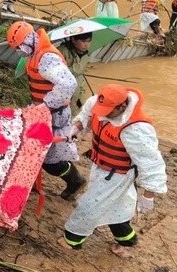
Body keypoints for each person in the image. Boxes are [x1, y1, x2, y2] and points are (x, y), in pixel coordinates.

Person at [59, 84, 167, 256]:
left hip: (118, 174)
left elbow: (151, 163)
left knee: (89, 206)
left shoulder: (137, 129)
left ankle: (72, 240)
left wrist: (149, 196)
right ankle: (126, 240)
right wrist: (75, 128)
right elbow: (85, 116)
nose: (102, 114)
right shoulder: (97, 103)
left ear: (122, 106)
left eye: (108, 111)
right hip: (100, 166)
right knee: (115, 206)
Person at [6, 21, 85, 200]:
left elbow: (68, 83)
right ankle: (28, 184)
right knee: (29, 148)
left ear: (28, 40)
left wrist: (46, 105)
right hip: (41, 111)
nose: (19, 51)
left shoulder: (47, 58)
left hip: (54, 114)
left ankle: (75, 180)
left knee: (50, 161)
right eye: (16, 48)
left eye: (19, 47)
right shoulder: (34, 55)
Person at [57, 32, 92, 116]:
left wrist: (81, 100)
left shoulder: (85, 56)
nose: (86, 45)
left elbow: (81, 79)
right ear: (73, 40)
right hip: (61, 100)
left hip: (74, 99)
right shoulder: (61, 52)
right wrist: (74, 69)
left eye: (89, 41)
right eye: (83, 41)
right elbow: (55, 73)